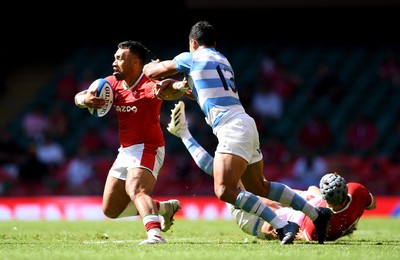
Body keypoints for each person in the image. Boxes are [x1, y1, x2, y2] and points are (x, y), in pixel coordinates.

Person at [143, 21, 332, 245]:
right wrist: (179, 87)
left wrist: (152, 66)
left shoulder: (192, 57)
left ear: (193, 43)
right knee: (258, 186)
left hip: (230, 126)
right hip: (245, 122)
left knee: (223, 190)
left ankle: (283, 225)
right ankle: (316, 214)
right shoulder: (223, 60)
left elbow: (151, 71)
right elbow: (202, 92)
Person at [166, 101, 376, 242]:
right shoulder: (353, 195)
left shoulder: (319, 220)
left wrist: (269, 208)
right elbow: (369, 202)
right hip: (286, 207)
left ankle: (184, 134)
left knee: (222, 176)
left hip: (255, 218)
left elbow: (276, 225)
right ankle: (184, 133)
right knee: (230, 176)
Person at [74, 40, 182, 245]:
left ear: (135, 63)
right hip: (125, 151)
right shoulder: (112, 84)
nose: (114, 62)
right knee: (110, 209)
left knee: (137, 190)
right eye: (114, 57)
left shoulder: (151, 83)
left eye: (120, 58)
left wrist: (179, 85)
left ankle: (155, 236)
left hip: (148, 147)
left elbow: (172, 90)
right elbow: (78, 96)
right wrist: (84, 100)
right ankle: (165, 208)